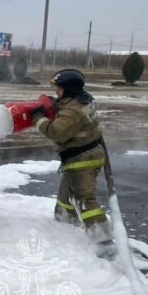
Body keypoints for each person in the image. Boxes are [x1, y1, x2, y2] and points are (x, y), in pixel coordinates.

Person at [31, 69, 113, 245]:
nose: (56, 92)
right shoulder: (81, 100)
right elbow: (68, 109)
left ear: (68, 89)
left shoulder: (73, 110)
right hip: (81, 156)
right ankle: (64, 223)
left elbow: (57, 132)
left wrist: (37, 119)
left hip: (83, 159)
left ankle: (103, 240)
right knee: (65, 196)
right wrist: (55, 104)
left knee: (85, 200)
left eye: (59, 89)